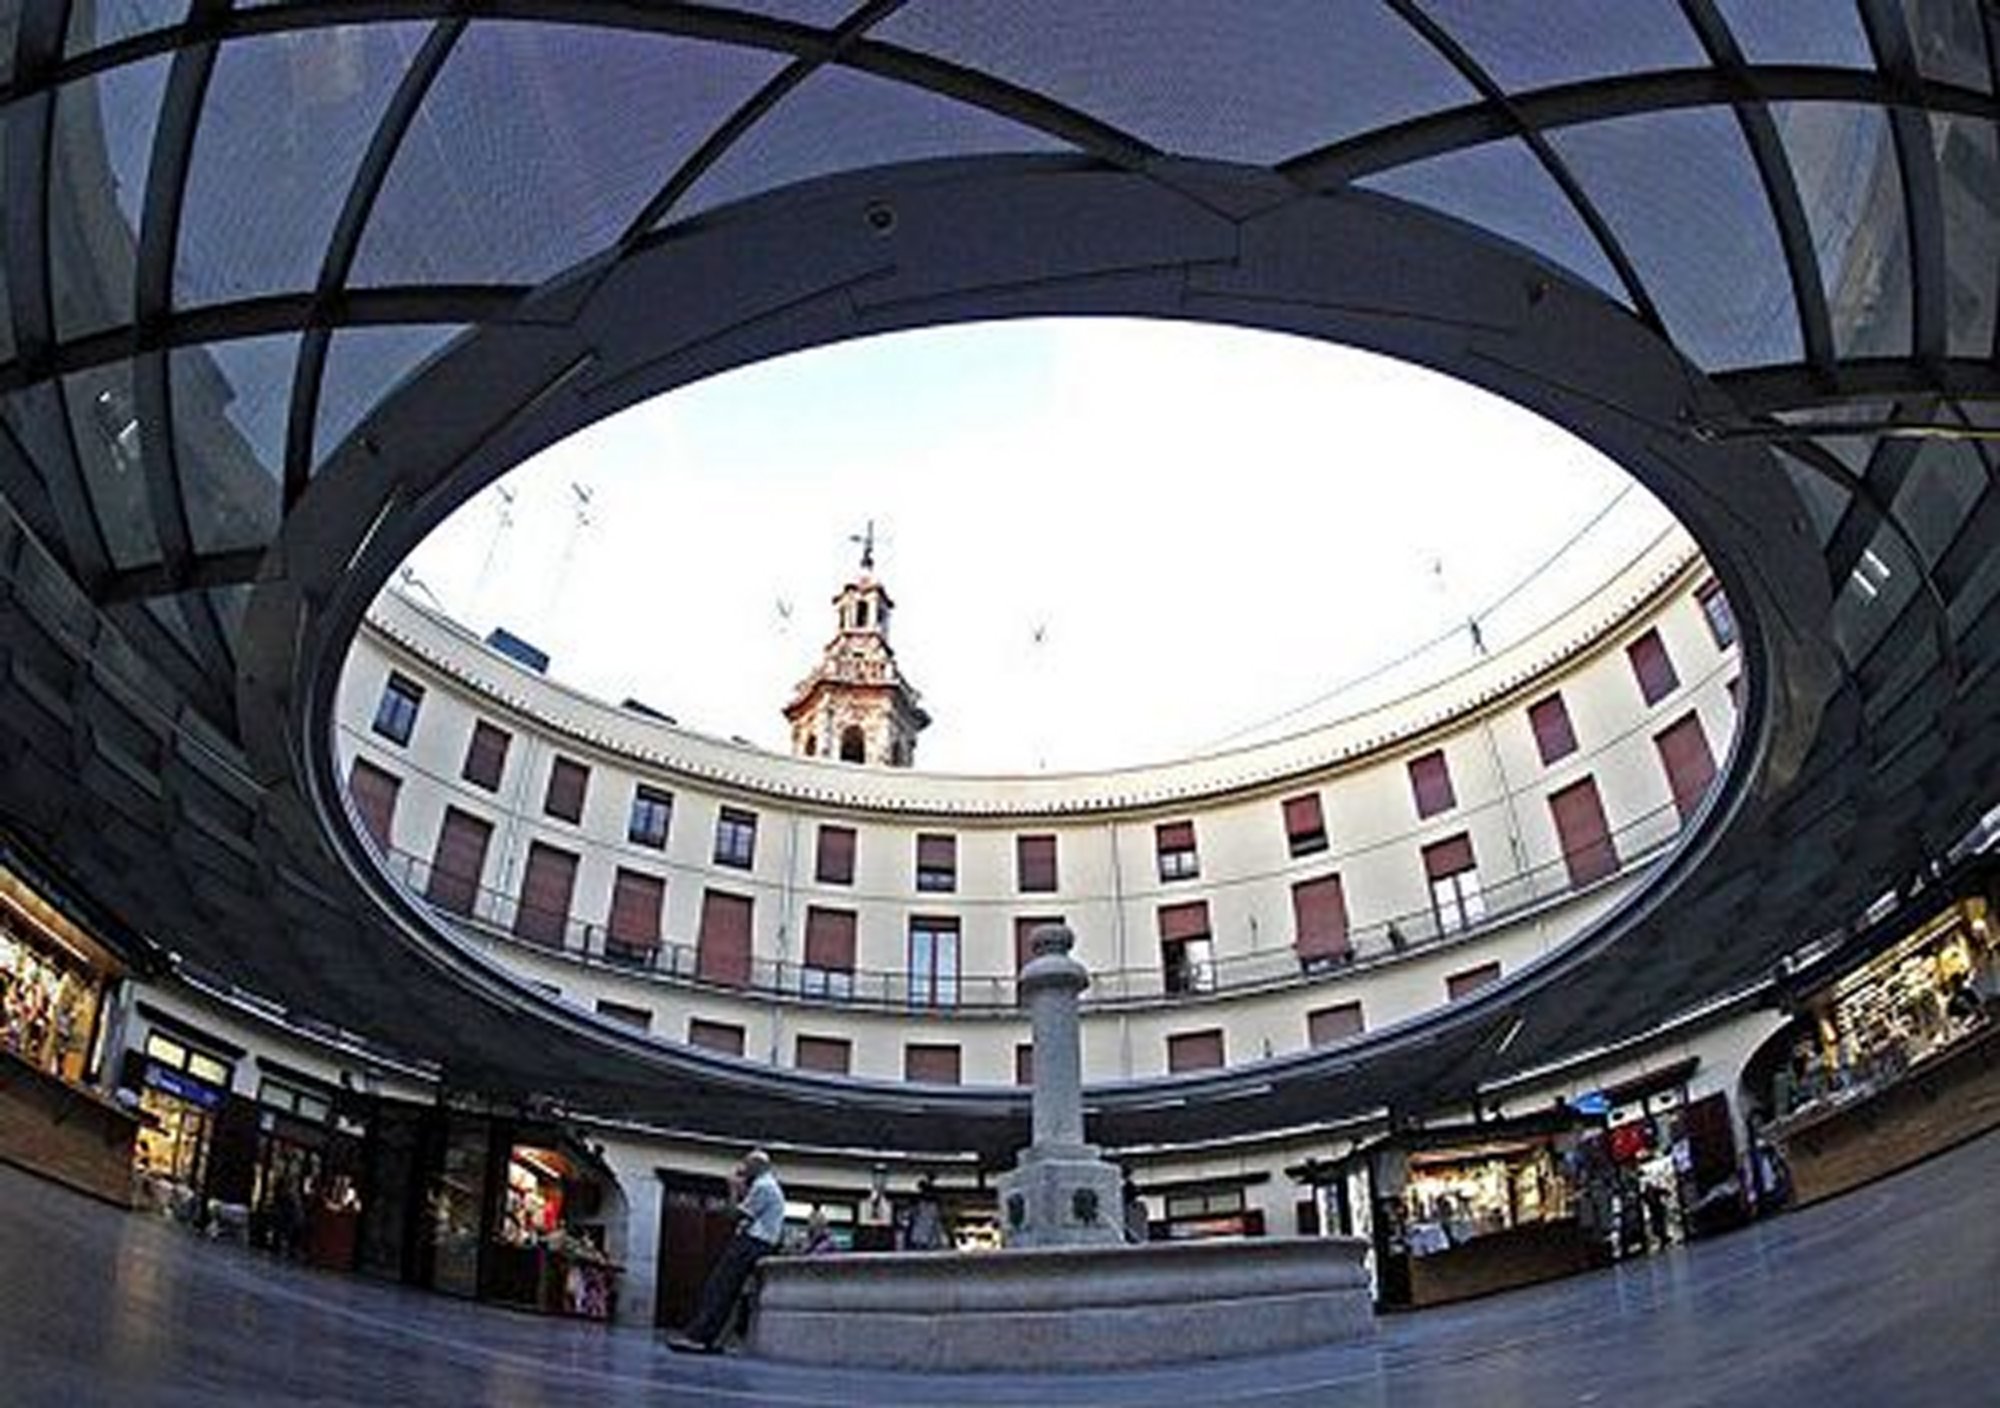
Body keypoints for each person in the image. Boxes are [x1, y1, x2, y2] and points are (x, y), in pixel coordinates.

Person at [671, 1149, 785, 1353]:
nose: (741, 1169)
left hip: (752, 1242)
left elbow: (733, 1214)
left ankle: (698, 1338)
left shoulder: (763, 1186)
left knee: (719, 1287)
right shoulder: (766, 1185)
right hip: (760, 1242)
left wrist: (732, 1189)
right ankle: (712, 1339)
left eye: (746, 1165)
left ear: (757, 1166)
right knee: (726, 1291)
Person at [903, 1174, 946, 1251]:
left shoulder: (932, 1207)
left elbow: (936, 1223)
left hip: (926, 1239)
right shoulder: (919, 1206)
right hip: (919, 1239)